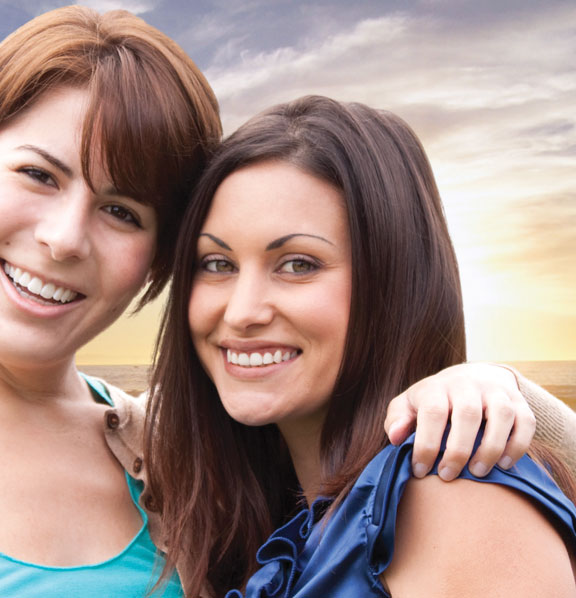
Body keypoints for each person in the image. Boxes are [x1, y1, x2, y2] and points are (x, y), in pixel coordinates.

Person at [0, 7, 566, 597]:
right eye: (38, 175)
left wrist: (487, 389)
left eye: (124, 211)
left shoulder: (180, 448)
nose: (62, 238)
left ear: (157, 261)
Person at [146, 95, 576, 597]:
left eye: (298, 264)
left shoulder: (452, 489)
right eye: (217, 264)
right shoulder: (265, 513)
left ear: (393, 281)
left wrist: (509, 389)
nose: (242, 312)